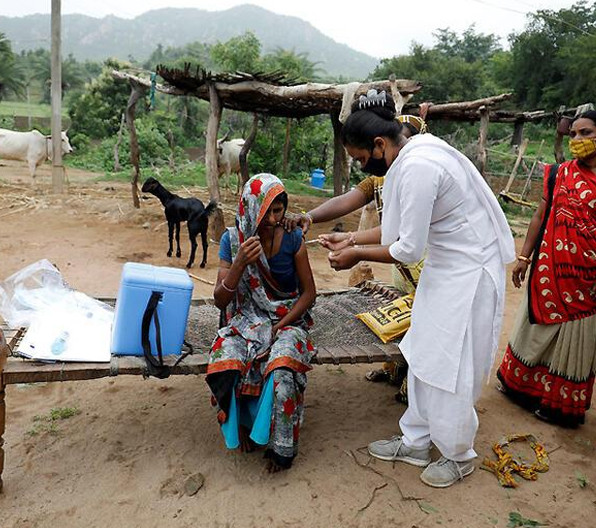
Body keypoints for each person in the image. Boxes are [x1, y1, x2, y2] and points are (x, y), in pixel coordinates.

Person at [326, 89, 515, 488]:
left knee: (452, 363)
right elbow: (400, 230)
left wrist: (356, 255)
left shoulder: (418, 166)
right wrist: (353, 243)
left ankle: (458, 453)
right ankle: (416, 440)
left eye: (362, 159)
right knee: (424, 350)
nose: (364, 167)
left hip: (468, 274)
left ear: (379, 145)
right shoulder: (412, 153)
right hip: (446, 269)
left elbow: (407, 249)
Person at [497, 110, 596, 427]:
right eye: (574, 134)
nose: (577, 140)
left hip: (591, 271)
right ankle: (519, 388)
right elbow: (540, 216)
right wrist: (524, 257)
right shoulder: (559, 173)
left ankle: (560, 406)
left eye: (586, 133)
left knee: (577, 334)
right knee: (534, 325)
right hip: (550, 265)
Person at [284, 113, 429, 400]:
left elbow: (405, 240)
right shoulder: (381, 177)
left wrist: (355, 249)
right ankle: (397, 370)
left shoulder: (417, 175)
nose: (364, 165)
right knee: (401, 318)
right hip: (400, 263)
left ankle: (415, 387)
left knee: (424, 322)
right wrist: (309, 218)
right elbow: (354, 207)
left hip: (424, 264)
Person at [206, 173, 317, 472]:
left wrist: (283, 325)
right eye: (266, 211)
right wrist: (240, 262)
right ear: (250, 208)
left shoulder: (293, 238)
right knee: (227, 359)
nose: (272, 219)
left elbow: (309, 294)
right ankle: (240, 425)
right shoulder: (232, 240)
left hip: (287, 318)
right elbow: (220, 300)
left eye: (278, 211)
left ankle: (280, 447)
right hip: (246, 319)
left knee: (282, 367)